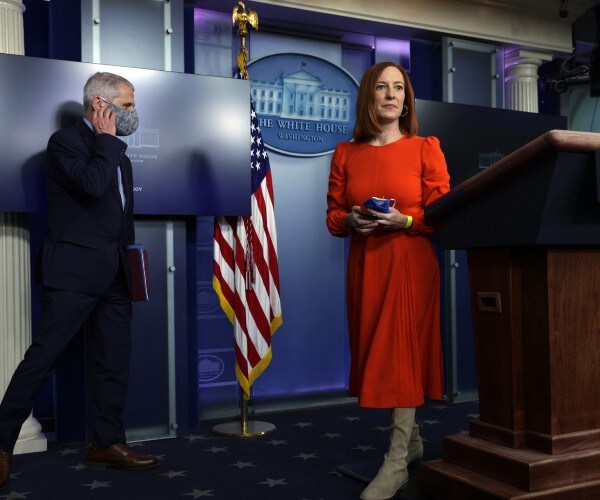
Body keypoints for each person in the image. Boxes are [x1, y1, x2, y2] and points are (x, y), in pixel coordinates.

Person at [0, 71, 157, 491]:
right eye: (127, 104)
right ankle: (0, 444)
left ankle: (106, 443)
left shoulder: (119, 154)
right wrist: (106, 141)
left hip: (115, 275)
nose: (134, 112)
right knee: (43, 359)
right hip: (73, 271)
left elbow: (119, 217)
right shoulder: (65, 143)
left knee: (113, 362)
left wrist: (129, 266)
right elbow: (91, 186)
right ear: (100, 105)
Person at [326, 62, 450, 500]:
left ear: (407, 100)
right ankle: (412, 440)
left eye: (399, 88)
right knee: (379, 352)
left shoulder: (425, 148)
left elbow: (442, 214)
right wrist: (350, 220)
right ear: (369, 97)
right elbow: (333, 215)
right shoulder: (346, 152)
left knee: (401, 354)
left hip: (410, 263)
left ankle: (397, 461)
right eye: (382, 87)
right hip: (366, 265)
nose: (392, 95)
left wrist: (407, 220)